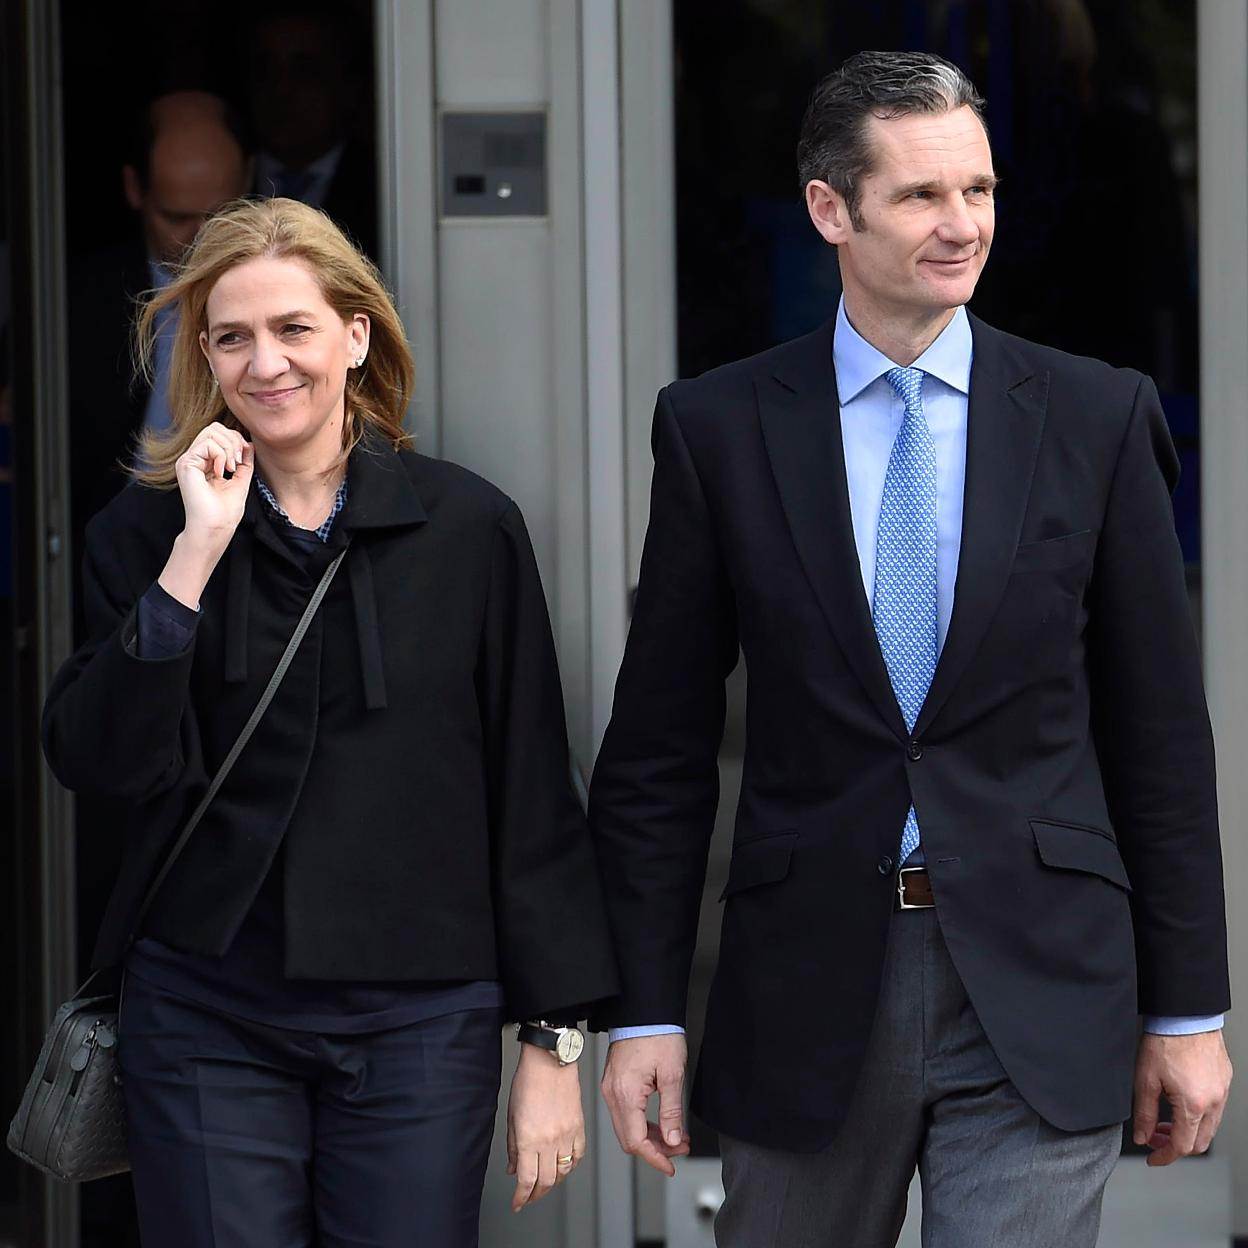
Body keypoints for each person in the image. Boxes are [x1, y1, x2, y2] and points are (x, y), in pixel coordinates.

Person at [589, 50, 1231, 1248]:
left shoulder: (1096, 416)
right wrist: (642, 1011)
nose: (963, 223)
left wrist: (1189, 1009)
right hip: (808, 984)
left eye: (978, 190)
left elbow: (1159, 736)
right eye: (923, 194)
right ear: (830, 210)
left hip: (1039, 979)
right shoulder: (720, 427)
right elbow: (658, 753)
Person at [43, 196, 617, 1247]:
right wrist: (192, 558)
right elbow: (99, 759)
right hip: (207, 1013)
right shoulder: (148, 530)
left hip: (419, 1018)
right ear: (204, 357)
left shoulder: (469, 528)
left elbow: (531, 791)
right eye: (232, 337)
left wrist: (553, 1039)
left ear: (355, 336)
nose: (266, 363)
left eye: (293, 328)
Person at [67, 89, 252, 567]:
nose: (203, 238)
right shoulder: (76, 302)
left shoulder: (280, 294)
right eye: (177, 218)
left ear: (249, 184)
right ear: (135, 189)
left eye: (221, 214)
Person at [248, 5, 378, 257]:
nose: (282, 90)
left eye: (306, 70)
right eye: (266, 70)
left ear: (349, 87)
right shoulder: (216, 181)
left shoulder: (387, 188)